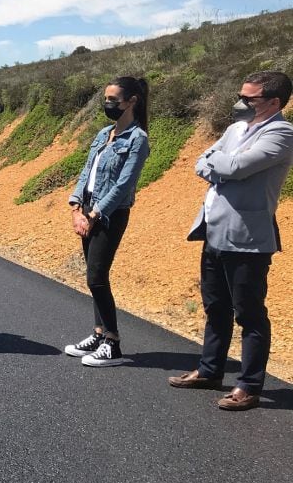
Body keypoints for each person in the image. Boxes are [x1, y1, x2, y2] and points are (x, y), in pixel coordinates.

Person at [168, 71, 293, 411]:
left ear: (273, 102)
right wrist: (219, 165)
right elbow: (201, 162)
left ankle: (249, 386)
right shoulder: (236, 129)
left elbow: (236, 166)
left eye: (248, 98)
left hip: (248, 238)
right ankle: (210, 371)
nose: (240, 103)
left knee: (249, 314)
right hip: (214, 230)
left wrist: (218, 165)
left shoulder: (282, 133)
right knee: (215, 307)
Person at [63, 77, 151, 367]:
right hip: (87, 209)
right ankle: (99, 333)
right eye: (106, 99)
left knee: (96, 277)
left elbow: (124, 185)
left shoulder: (138, 140)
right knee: (93, 275)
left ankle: (112, 343)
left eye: (113, 100)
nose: (107, 105)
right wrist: (76, 206)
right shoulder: (104, 134)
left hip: (109, 214)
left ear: (132, 102)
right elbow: (86, 171)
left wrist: (94, 214)